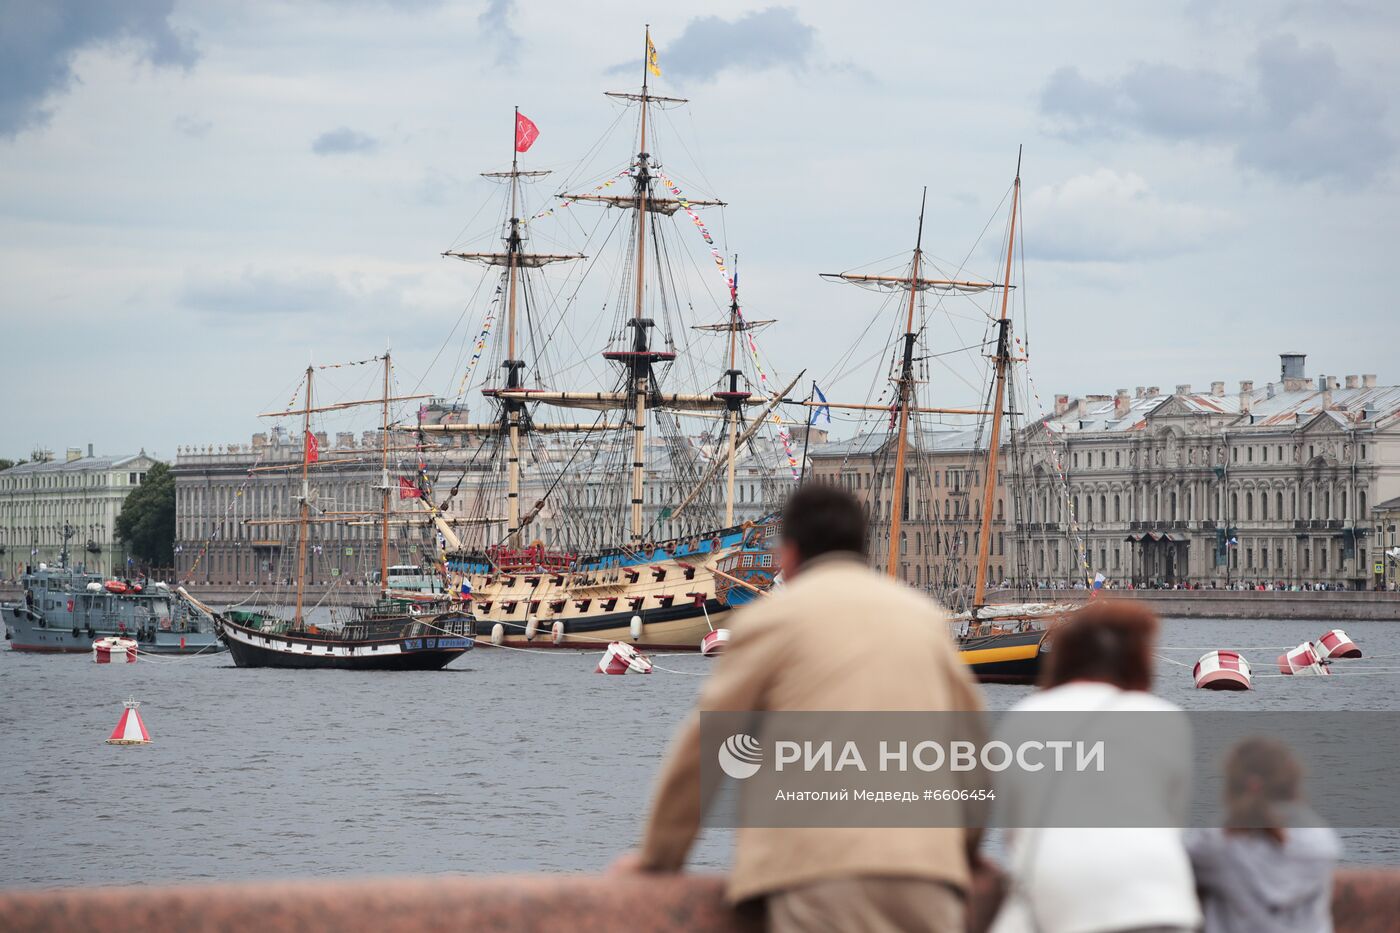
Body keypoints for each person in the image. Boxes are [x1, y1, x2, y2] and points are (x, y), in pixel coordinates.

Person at [611, 484, 985, 932]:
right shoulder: (923, 619)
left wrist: (658, 861)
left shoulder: (772, 621)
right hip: (925, 881)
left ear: (788, 553)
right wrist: (960, 853)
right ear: (862, 549)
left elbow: (704, 752)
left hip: (814, 879)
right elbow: (974, 757)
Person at [991, 600, 1202, 933]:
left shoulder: (1024, 718)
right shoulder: (1164, 718)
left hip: (1060, 899)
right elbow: (1171, 819)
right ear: (1138, 659)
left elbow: (1013, 831)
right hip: (1158, 900)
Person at [1186, 739, 1341, 933]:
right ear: (1293, 783)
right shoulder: (1322, 843)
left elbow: (1178, 861)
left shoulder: (1215, 849)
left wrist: (1235, 814)